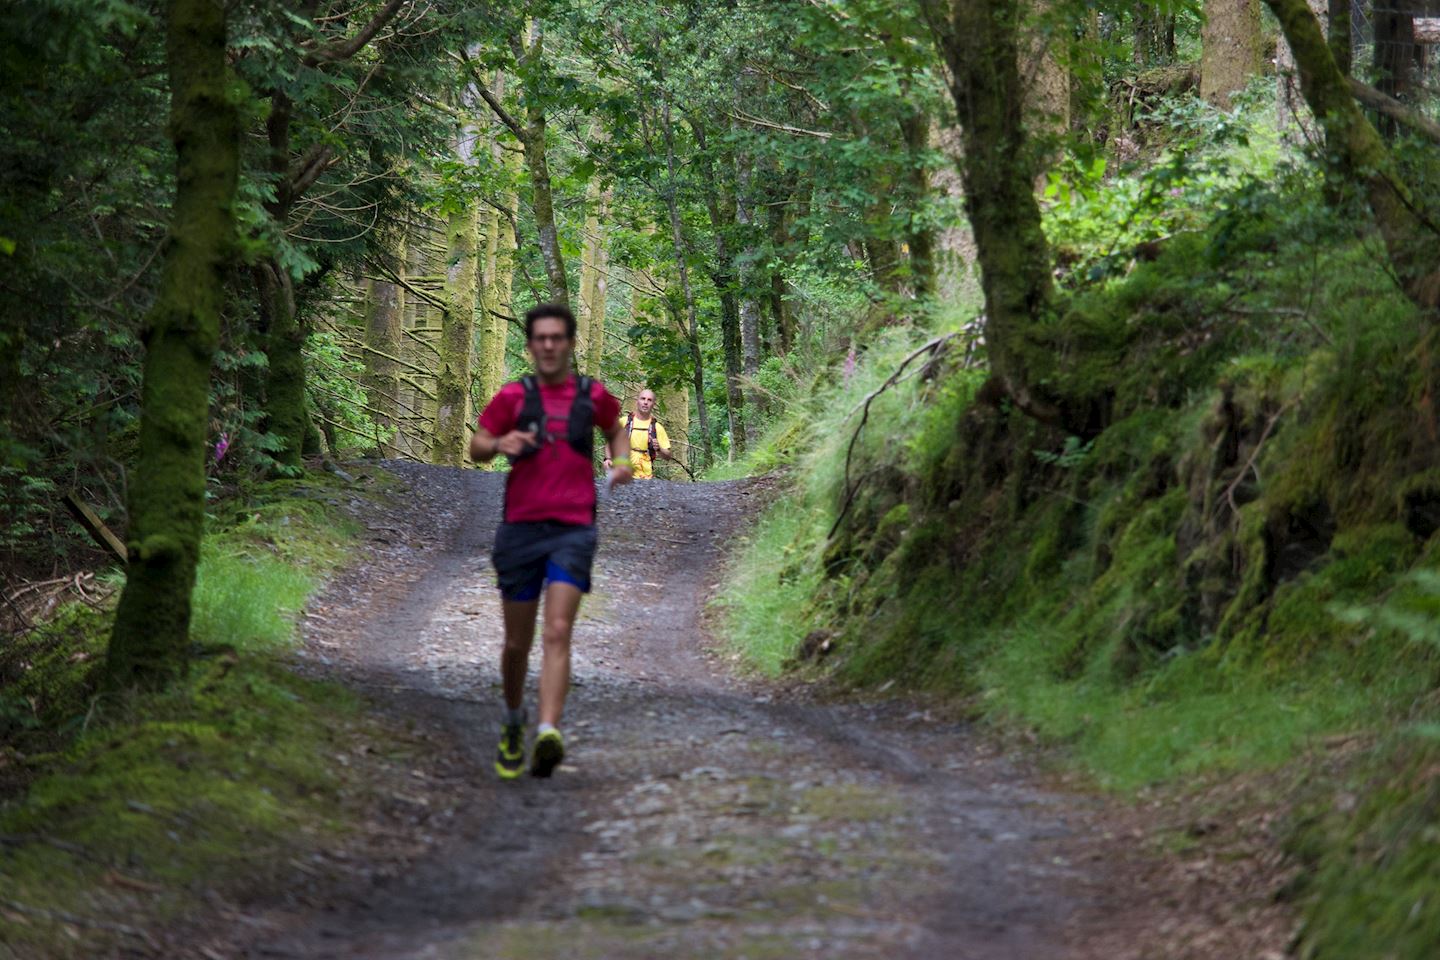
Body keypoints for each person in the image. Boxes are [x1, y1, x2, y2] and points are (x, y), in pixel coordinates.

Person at [469, 303, 632, 779]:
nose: (548, 345)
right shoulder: (512, 397)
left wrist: (620, 465)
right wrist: (501, 444)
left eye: (557, 337)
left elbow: (616, 433)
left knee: (558, 630)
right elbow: (476, 447)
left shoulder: (592, 395)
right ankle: (514, 720)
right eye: (540, 338)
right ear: (530, 344)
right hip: (519, 530)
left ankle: (548, 731)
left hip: (574, 529)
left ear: (570, 343)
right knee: (517, 643)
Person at [604, 389, 673, 480]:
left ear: (653, 404)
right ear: (637, 401)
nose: (645, 402)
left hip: (645, 478)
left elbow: (668, 456)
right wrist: (608, 459)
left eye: (649, 400)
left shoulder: (657, 428)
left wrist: (659, 449)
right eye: (643, 399)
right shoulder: (624, 422)